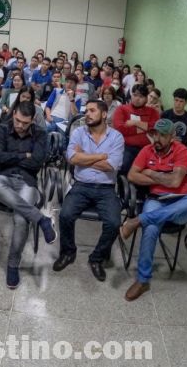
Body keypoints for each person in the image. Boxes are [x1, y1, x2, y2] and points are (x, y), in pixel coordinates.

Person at [119, 119, 187, 301]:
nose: (157, 138)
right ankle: (143, 280)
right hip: (157, 199)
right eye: (155, 134)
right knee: (151, 229)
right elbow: (133, 175)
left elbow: (175, 182)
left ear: (172, 137)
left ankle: (138, 220)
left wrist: (150, 173)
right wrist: (161, 177)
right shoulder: (146, 150)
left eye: (163, 135)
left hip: (181, 202)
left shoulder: (181, 150)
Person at [0, 101, 55, 288]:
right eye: (17, 120)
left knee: (22, 218)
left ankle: (12, 264)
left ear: (32, 120)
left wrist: (13, 157)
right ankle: (41, 219)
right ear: (14, 113)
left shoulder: (40, 133)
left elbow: (37, 162)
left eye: (25, 123)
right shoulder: (2, 129)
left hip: (27, 181)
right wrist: (25, 156)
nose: (19, 125)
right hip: (4, 178)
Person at [54, 100, 124, 281]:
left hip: (106, 188)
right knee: (65, 215)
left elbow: (112, 166)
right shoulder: (78, 132)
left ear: (103, 114)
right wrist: (100, 156)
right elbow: (72, 158)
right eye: (86, 111)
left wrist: (83, 157)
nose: (87, 114)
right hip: (81, 185)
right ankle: (68, 252)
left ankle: (97, 258)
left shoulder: (116, 137)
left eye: (92, 111)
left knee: (114, 223)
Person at [112, 84, 160, 174]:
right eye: (135, 95)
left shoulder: (152, 112)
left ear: (146, 98)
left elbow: (156, 128)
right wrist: (144, 128)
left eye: (141, 96)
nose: (137, 99)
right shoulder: (122, 109)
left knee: (155, 169)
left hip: (148, 148)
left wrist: (135, 123)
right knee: (124, 165)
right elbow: (120, 128)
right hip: (127, 147)